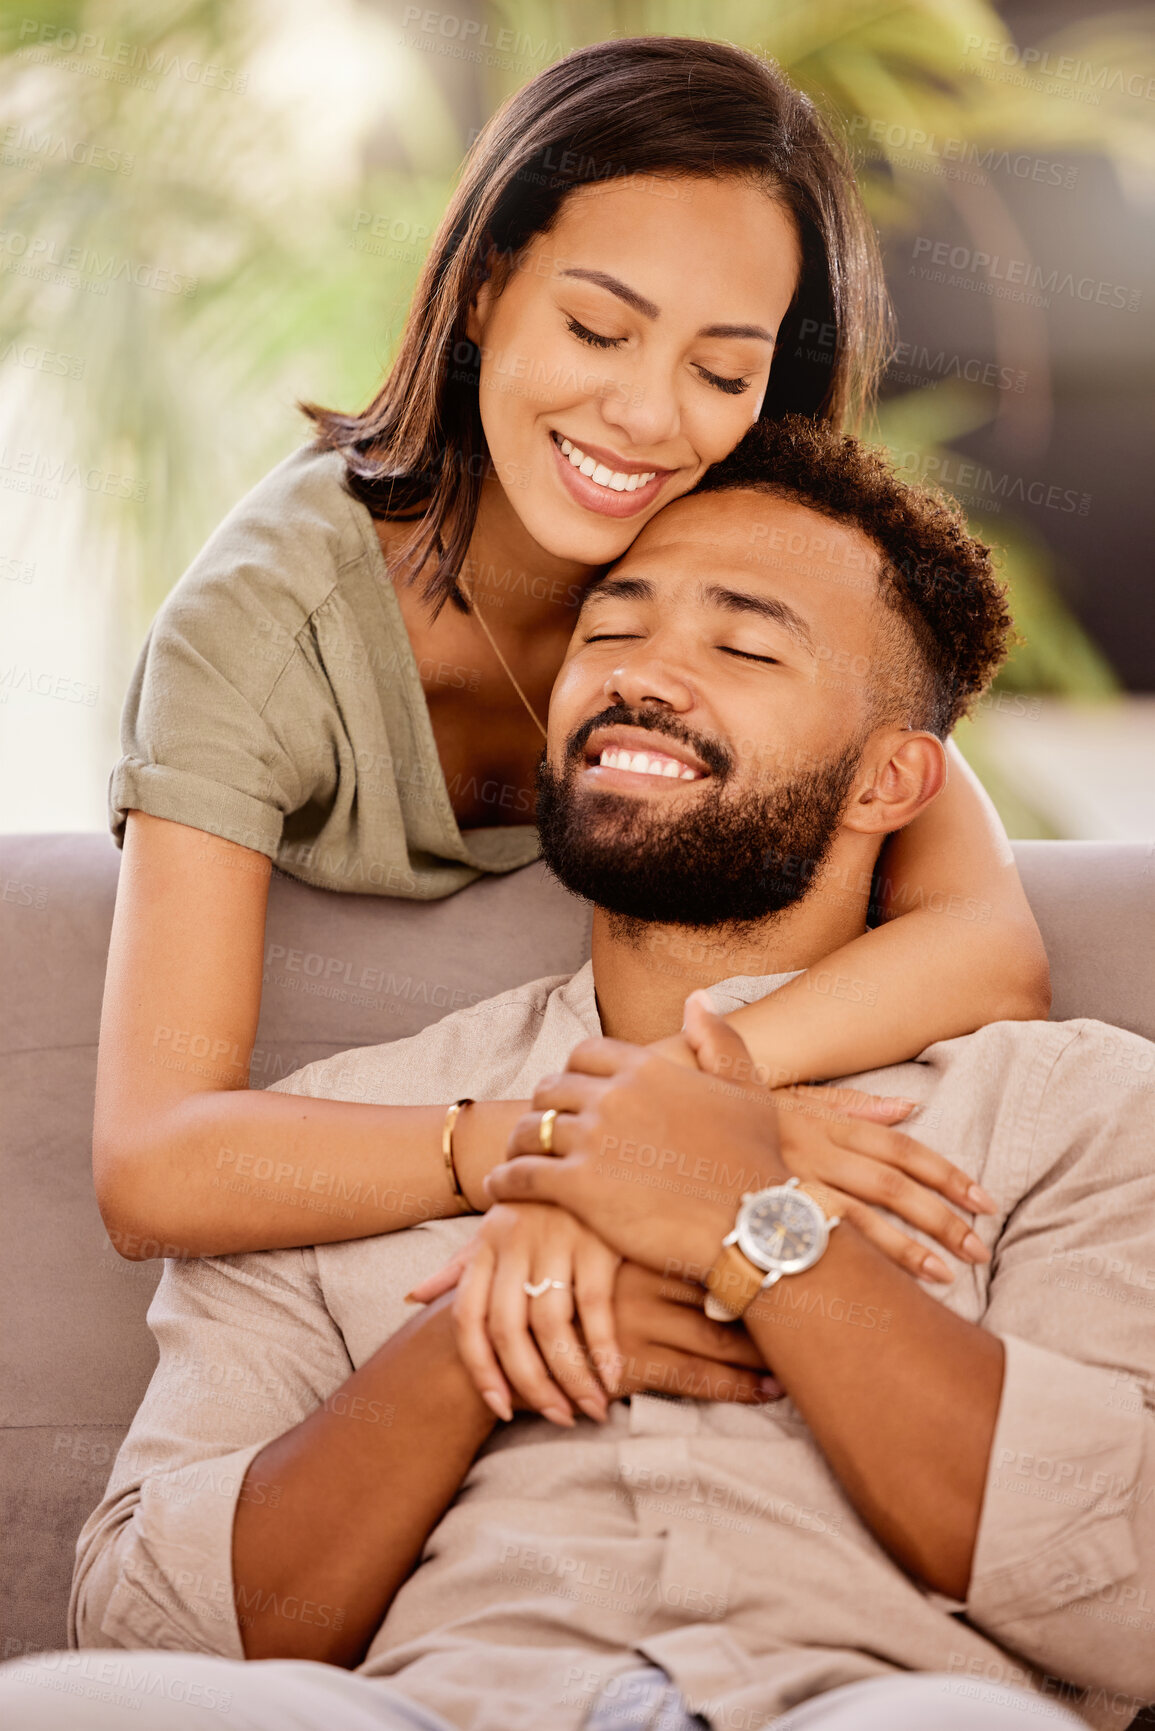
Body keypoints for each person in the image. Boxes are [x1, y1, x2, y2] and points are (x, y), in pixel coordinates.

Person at [5, 418, 1147, 1731]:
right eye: (608, 631)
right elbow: (149, 1616)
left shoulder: (1069, 1109)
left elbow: (1123, 1592)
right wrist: (467, 1340)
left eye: (744, 644)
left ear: (893, 778)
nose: (645, 675)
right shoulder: (348, 1126)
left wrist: (751, 1233)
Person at [93, 37, 1049, 1273]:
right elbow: (151, 1163)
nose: (649, 418)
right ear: (486, 291)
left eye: (721, 371)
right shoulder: (263, 629)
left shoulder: (720, 549)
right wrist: (576, 1140)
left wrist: (699, 1101)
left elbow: (990, 944)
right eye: (600, 330)